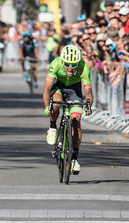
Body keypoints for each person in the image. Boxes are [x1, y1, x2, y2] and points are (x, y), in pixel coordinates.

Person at [43, 45, 93, 175]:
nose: (70, 68)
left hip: (74, 90)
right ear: (62, 61)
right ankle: (53, 127)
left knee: (76, 121)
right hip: (58, 87)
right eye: (67, 64)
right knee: (55, 104)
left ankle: (74, 159)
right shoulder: (56, 63)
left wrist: (89, 106)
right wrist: (46, 107)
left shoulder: (83, 67)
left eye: (73, 65)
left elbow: (88, 92)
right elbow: (47, 89)